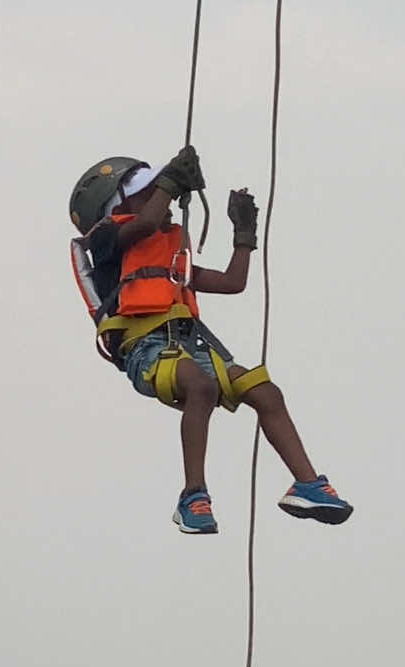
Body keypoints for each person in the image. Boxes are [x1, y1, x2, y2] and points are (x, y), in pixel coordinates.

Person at [68, 147, 353, 534]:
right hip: (146, 349)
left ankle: (308, 485)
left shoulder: (169, 256)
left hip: (193, 344)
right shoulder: (105, 241)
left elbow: (233, 283)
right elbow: (147, 222)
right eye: (145, 192)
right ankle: (193, 497)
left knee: (266, 392)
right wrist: (170, 182)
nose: (158, 199)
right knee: (199, 387)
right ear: (115, 205)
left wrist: (243, 233)